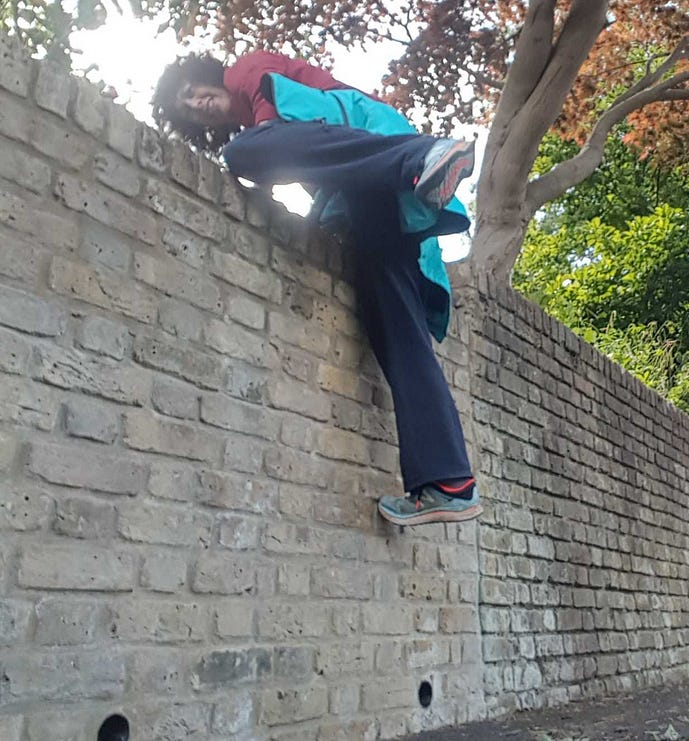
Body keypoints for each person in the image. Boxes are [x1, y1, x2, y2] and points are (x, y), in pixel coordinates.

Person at [153, 50, 482, 527]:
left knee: (244, 152)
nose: (198, 103)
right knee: (395, 329)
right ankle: (450, 482)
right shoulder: (271, 126)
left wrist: (260, 165)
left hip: (382, 151)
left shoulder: (245, 71)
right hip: (370, 195)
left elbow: (280, 124)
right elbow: (309, 155)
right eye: (188, 110)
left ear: (202, 77)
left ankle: (425, 154)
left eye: (191, 92)